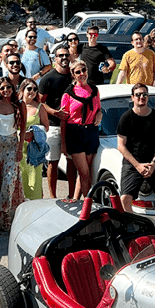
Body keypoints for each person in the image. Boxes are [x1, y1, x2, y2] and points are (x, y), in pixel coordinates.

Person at [117, 83, 155, 229]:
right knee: (124, 200)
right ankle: (136, 230)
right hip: (132, 164)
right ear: (132, 98)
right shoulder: (126, 118)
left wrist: (154, 162)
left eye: (144, 94)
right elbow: (121, 146)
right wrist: (137, 165)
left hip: (152, 163)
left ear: (148, 97)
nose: (141, 97)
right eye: (138, 95)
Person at [0, 76, 27, 237]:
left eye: (8, 87)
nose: (6, 90)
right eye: (2, 88)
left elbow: (23, 127)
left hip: (12, 145)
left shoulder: (19, 105)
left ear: (12, 88)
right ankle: (6, 215)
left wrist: (20, 148)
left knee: (9, 183)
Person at [39, 47, 79, 199]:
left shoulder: (75, 76)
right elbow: (40, 102)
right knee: (53, 162)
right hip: (54, 126)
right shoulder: (48, 79)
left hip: (73, 126)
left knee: (71, 163)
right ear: (54, 58)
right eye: (60, 55)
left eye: (66, 55)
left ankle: (71, 196)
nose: (64, 57)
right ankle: (53, 197)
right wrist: (54, 112)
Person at [60, 61, 102, 198]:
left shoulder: (94, 90)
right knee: (85, 173)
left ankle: (76, 200)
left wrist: (100, 114)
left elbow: (98, 109)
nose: (82, 74)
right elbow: (64, 120)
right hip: (75, 133)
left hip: (91, 132)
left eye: (83, 70)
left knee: (85, 172)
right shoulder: (68, 93)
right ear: (73, 75)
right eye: (78, 72)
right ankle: (87, 205)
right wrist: (63, 143)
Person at [18, 79, 49, 200]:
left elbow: (46, 127)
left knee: (34, 181)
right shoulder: (16, 106)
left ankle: (35, 208)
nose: (32, 92)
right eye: (29, 89)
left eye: (35, 89)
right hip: (18, 149)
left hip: (34, 150)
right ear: (22, 89)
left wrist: (34, 131)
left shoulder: (40, 107)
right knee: (20, 181)